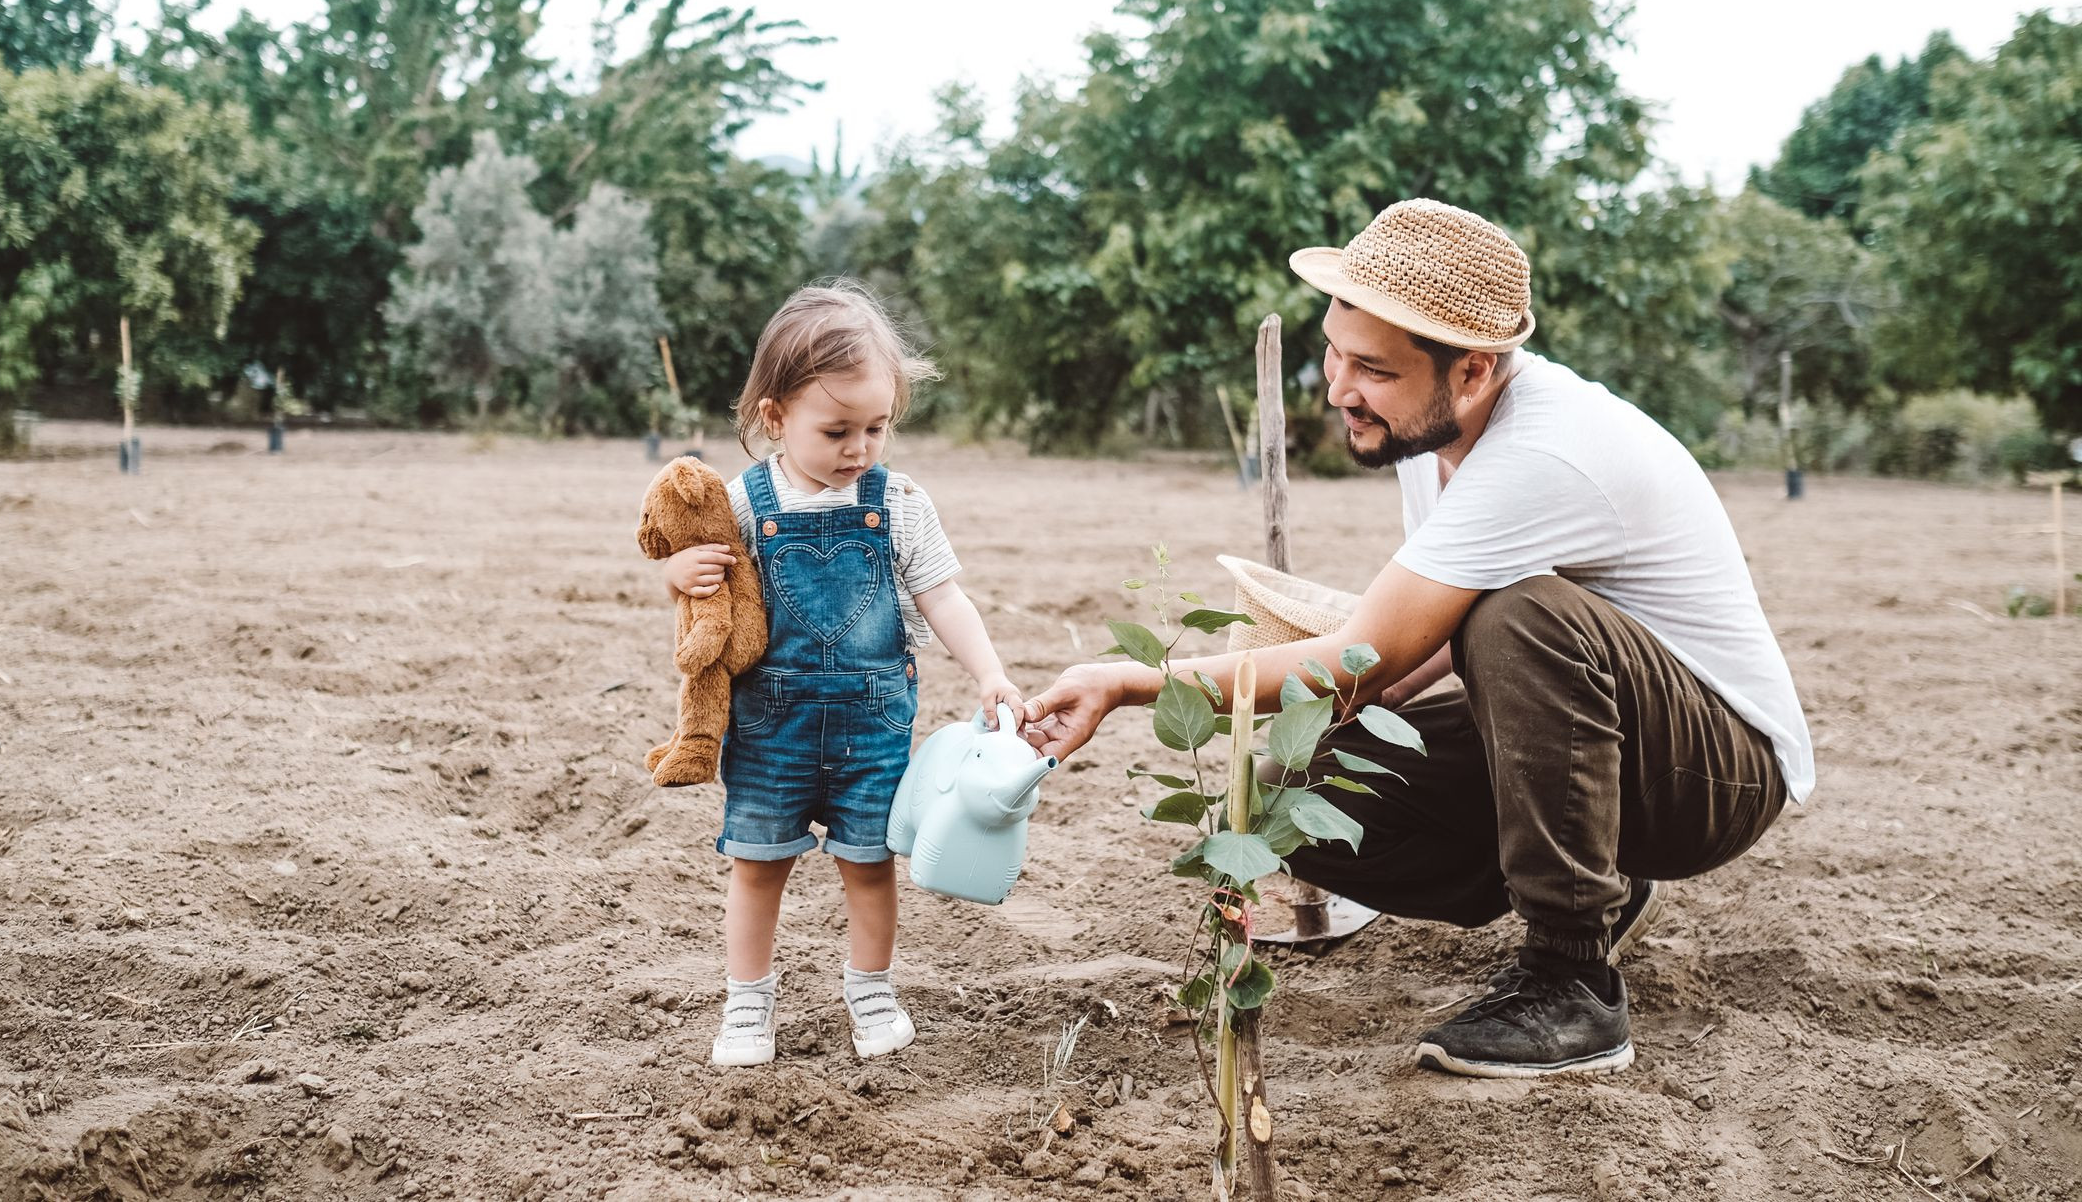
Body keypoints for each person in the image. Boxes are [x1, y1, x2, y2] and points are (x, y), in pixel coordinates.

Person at [1020, 199, 1812, 1079]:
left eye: (1371, 369)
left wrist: (1129, 683)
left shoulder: (1541, 452)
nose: (1335, 388)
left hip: (1718, 774)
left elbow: (1377, 648)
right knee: (1294, 789)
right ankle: (1596, 883)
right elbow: (1403, 650)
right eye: (1333, 350)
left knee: (1526, 616)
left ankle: (1572, 981)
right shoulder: (1431, 437)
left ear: (1471, 372)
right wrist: (1346, 706)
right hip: (1613, 746)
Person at [663, 282, 1026, 1068]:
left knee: (869, 867)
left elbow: (942, 594)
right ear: (774, 418)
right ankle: (746, 1006)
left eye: (877, 426)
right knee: (757, 868)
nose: (859, 447)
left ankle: (870, 989)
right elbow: (704, 596)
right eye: (836, 430)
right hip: (768, 730)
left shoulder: (898, 502)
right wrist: (680, 572)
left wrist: (990, 671)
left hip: (872, 729)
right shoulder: (738, 505)